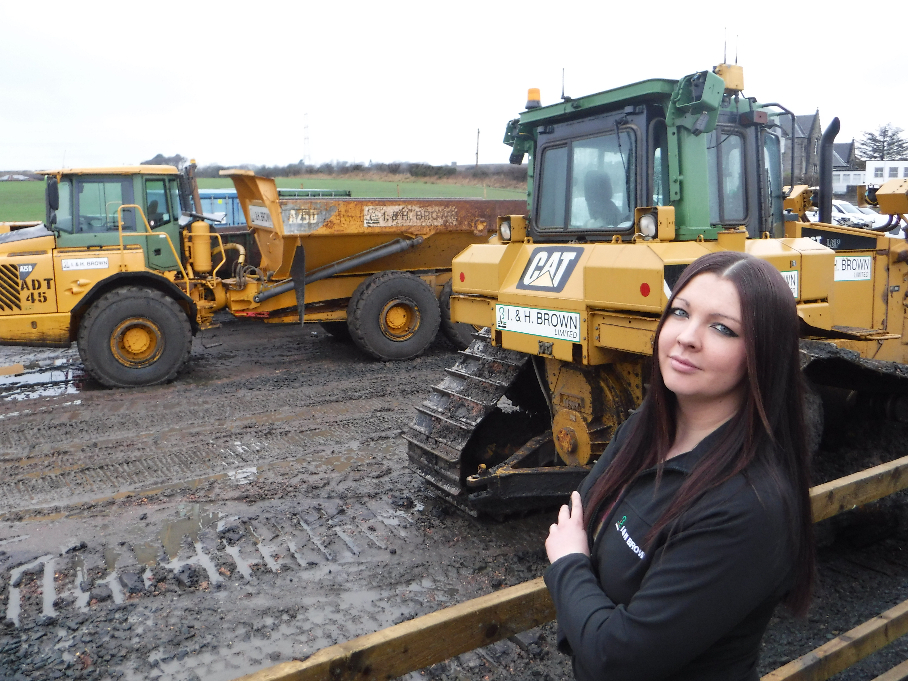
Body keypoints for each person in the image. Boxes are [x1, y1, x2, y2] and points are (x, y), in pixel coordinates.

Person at [544, 251, 814, 681]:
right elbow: (580, 520)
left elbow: (618, 658)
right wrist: (587, 623)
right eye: (680, 312)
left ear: (763, 355)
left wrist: (569, 568)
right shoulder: (641, 431)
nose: (688, 337)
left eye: (722, 328)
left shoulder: (747, 507)